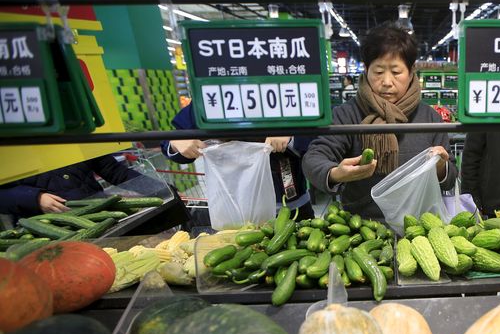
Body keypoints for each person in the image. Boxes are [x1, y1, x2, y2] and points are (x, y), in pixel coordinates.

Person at [302, 23, 456, 218]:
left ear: (411, 72)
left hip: (419, 223)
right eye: (378, 71)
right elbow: (314, 158)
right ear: (366, 69)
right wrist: (335, 173)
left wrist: (441, 168)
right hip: (362, 226)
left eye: (396, 72)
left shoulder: (428, 117)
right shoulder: (347, 115)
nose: (387, 82)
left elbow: (450, 178)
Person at [161, 105, 315, 219]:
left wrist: (292, 136)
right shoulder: (210, 99)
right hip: (234, 209)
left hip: (291, 206)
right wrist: (176, 142)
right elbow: (172, 140)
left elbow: (318, 139)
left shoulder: (286, 93)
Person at [0, 154, 144, 220]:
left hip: (102, 217)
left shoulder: (72, 131)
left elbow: (115, 171)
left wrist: (162, 189)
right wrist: (34, 198)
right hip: (49, 231)